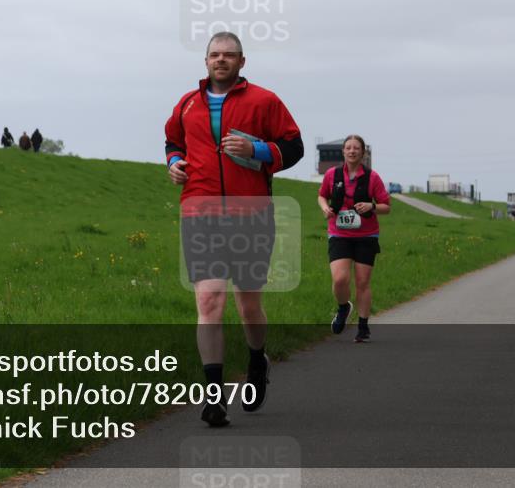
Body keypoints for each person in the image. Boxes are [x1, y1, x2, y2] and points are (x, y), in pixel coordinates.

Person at [164, 31, 303, 427]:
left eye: (228, 55)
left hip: (250, 214)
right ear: (205, 61)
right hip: (200, 213)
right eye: (214, 55)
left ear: (242, 62)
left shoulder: (265, 100)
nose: (220, 60)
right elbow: (172, 141)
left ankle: (257, 359)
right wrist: (173, 162)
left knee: (248, 305)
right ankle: (214, 396)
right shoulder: (187, 104)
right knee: (209, 302)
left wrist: (258, 151)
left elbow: (294, 147)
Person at [317, 135, 391, 343]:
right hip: (339, 233)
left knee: (362, 281)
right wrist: (325, 208)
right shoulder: (332, 174)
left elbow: (386, 206)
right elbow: (322, 195)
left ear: (363, 153)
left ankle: (363, 326)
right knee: (340, 279)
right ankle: (343, 307)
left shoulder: (372, 177)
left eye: (356, 148)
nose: (352, 151)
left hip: (366, 235)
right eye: (348, 148)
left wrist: (372, 206)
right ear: (343, 151)